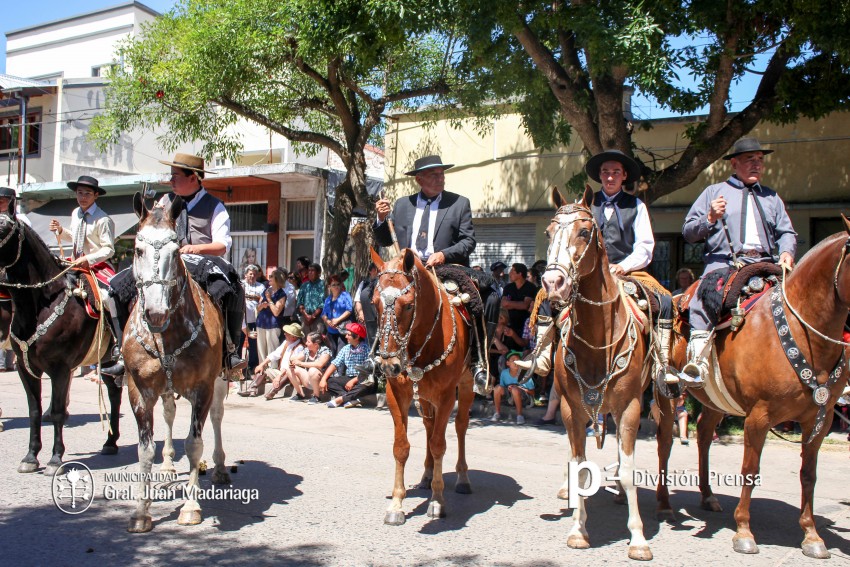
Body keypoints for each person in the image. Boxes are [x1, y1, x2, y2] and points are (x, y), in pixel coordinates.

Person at [103, 153, 247, 376]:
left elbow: (221, 245)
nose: (171, 180)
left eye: (175, 176)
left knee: (234, 286)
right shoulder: (163, 203)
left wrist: (196, 248)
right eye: (171, 176)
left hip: (201, 261)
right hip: (163, 262)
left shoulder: (215, 206)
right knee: (115, 289)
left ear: (194, 178)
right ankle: (122, 351)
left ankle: (230, 351)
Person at [373, 155, 495, 393]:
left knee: (489, 296)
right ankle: (374, 353)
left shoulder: (459, 203)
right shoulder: (401, 205)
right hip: (408, 270)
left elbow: (468, 241)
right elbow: (385, 239)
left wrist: (444, 254)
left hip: (443, 266)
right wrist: (380, 219)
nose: (440, 179)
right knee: (373, 293)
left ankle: (479, 362)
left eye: (441, 174)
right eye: (433, 175)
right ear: (419, 179)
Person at [681, 138, 796, 385]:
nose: (756, 165)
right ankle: (698, 361)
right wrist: (710, 217)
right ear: (734, 163)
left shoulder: (772, 197)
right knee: (704, 298)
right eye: (749, 160)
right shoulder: (713, 192)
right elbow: (689, 232)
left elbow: (786, 232)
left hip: (767, 264)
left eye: (760, 160)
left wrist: (787, 251)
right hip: (725, 264)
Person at [583, 149, 677, 385]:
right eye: (605, 172)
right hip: (589, 275)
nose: (610, 177)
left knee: (664, 301)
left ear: (624, 176)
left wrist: (622, 267)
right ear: (599, 176)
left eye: (616, 172)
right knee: (547, 298)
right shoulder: (585, 204)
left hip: (629, 272)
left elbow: (645, 247)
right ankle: (544, 357)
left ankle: (662, 361)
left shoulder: (636, 205)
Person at [49, 176, 116, 280]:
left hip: (97, 266)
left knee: (108, 293)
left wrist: (88, 259)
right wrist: (60, 230)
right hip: (74, 264)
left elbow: (109, 249)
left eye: (88, 193)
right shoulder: (75, 213)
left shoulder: (103, 220)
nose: (83, 197)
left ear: (96, 195)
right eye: (80, 193)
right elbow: (76, 238)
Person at [319, 322, 372, 408]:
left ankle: (341, 399)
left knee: (367, 385)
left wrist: (353, 381)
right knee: (329, 382)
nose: (346, 336)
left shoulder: (366, 349)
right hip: (348, 378)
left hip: (361, 378)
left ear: (357, 336)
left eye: (348, 335)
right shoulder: (346, 348)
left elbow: (368, 370)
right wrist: (323, 379)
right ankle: (350, 398)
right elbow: (334, 364)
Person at [247, 322, 304, 399]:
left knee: (289, 373)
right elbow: (275, 354)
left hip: (291, 375)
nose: (284, 334)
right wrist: (262, 364)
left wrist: (279, 377)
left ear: (293, 337)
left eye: (287, 333)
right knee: (262, 369)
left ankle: (273, 391)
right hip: (280, 372)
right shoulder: (286, 342)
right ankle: (252, 388)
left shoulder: (300, 347)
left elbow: (292, 366)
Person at [490, 351, 535, 424]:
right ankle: (497, 413)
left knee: (514, 389)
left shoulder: (525, 374)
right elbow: (502, 387)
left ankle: (519, 416)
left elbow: (532, 392)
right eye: (513, 360)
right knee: (497, 388)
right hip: (510, 398)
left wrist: (520, 389)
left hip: (524, 399)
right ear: (508, 363)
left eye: (518, 360)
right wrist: (509, 389)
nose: (516, 362)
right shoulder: (504, 373)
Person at [256, 268, 288, 364]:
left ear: (277, 279)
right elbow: (257, 308)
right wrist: (262, 305)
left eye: (271, 276)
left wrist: (269, 300)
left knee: (272, 350)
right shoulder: (266, 290)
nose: (269, 278)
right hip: (261, 323)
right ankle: (262, 372)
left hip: (273, 325)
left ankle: (272, 372)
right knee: (261, 351)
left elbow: (276, 312)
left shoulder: (282, 294)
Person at [291, 331, 333, 404]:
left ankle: (316, 396)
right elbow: (295, 358)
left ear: (316, 344)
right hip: (309, 379)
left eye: (308, 342)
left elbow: (320, 364)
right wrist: (293, 360)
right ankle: (300, 394)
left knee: (312, 370)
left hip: (322, 380)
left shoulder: (325, 351)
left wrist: (301, 363)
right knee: (291, 369)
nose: (306, 343)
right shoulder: (307, 350)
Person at [501, 263, 537, 343]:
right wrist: (518, 304)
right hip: (510, 324)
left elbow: (525, 305)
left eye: (512, 271)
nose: (509, 274)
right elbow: (503, 304)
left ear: (520, 274)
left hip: (525, 325)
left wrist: (509, 304)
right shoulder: (508, 287)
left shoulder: (530, 287)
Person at [242, 264, 265, 373]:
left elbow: (262, 299)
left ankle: (252, 367)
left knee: (254, 345)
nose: (252, 276)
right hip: (241, 321)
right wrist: (254, 297)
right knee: (238, 344)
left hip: (255, 321)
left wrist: (254, 297)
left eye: (255, 274)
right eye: (250, 274)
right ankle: (238, 370)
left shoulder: (260, 286)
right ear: (245, 274)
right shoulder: (241, 284)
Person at [321, 274, 353, 354]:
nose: (336, 286)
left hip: (342, 329)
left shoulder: (345, 295)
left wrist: (337, 320)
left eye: (338, 284)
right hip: (331, 331)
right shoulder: (328, 299)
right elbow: (323, 314)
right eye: (333, 285)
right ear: (329, 287)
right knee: (332, 352)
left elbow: (349, 310)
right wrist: (328, 321)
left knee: (341, 352)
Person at [353, 263, 379, 346]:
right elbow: (357, 300)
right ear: (370, 271)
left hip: (379, 318)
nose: (377, 272)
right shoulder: (363, 283)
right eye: (375, 270)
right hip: (367, 317)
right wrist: (360, 313)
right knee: (368, 340)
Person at [296, 263, 325, 335]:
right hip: (305, 318)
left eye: (313, 270)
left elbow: (322, 304)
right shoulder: (304, 285)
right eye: (309, 270)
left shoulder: (323, 285)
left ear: (318, 273)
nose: (310, 272)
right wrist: (306, 316)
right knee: (305, 340)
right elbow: (300, 301)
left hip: (318, 318)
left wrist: (312, 317)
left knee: (316, 339)